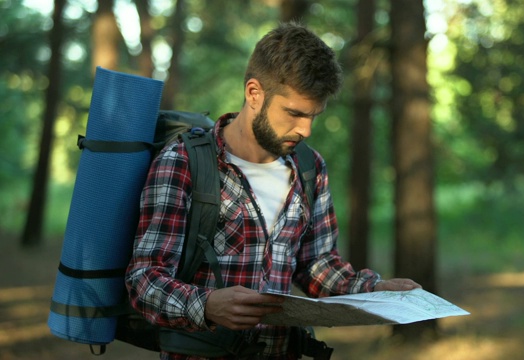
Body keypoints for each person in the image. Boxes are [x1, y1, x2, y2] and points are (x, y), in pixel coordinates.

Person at [125, 21, 421, 360]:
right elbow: (144, 279)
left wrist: (375, 290)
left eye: (314, 116)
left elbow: (317, 266)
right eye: (294, 113)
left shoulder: (310, 168)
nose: (306, 129)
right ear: (254, 93)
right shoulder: (184, 162)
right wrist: (205, 305)